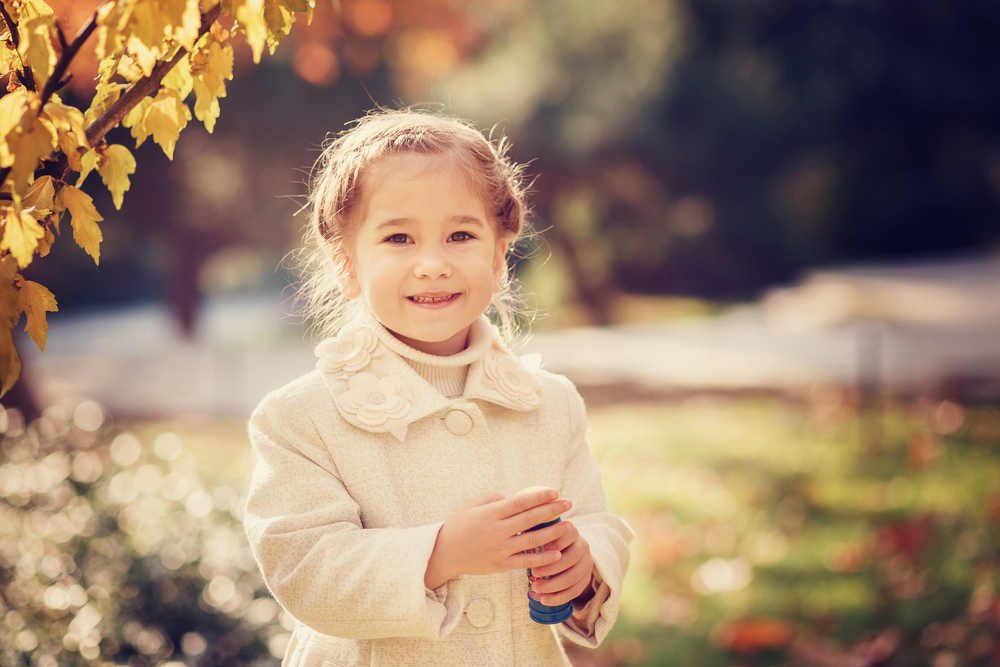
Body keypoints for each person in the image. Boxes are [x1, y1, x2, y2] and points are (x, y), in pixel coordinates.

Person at [244, 109, 633, 666]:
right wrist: (440, 553)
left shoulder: (551, 404)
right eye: (399, 237)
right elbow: (304, 569)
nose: (432, 264)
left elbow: (594, 519)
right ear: (346, 264)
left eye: (460, 235)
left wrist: (584, 562)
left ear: (499, 257)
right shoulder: (300, 418)